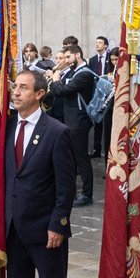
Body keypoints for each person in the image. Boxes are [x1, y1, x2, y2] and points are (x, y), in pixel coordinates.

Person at [0, 70, 75, 278]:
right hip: (14, 225)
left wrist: (58, 223)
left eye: (24, 88)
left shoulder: (57, 132)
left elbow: (66, 186)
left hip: (45, 228)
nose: (16, 93)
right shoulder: (7, 127)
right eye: (15, 87)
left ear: (40, 94)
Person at [48, 44, 97, 207]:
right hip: (71, 120)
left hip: (79, 122)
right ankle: (71, 191)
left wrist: (55, 80)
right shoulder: (75, 71)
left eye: (68, 57)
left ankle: (87, 194)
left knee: (81, 158)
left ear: (78, 55)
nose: (67, 61)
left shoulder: (84, 74)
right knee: (72, 158)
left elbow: (62, 91)